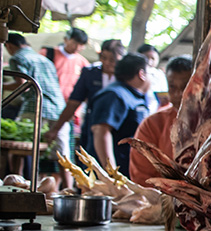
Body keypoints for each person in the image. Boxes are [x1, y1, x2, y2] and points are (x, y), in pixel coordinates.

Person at [43, 38, 126, 158]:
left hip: (120, 128)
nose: (107, 62)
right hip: (92, 125)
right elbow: (73, 103)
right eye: (103, 58)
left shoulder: (127, 76)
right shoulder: (90, 74)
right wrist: (56, 129)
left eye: (112, 60)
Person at [2, 32, 66, 170]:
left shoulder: (17, 58)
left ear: (9, 46)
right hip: (58, 108)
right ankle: (69, 183)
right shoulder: (45, 60)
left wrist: (3, 86)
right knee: (62, 156)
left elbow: (22, 86)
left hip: (35, 106)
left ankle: (16, 178)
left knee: (17, 148)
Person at [128, 56, 193, 186]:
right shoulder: (152, 124)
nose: (179, 94)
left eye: (186, 87)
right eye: (173, 87)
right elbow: (142, 179)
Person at [89, 52, 155, 176]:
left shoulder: (134, 96)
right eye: (150, 74)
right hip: (114, 174)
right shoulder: (114, 95)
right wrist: (111, 173)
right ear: (141, 74)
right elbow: (101, 131)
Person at [42, 27, 89, 107]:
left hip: (70, 107)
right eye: (75, 43)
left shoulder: (83, 63)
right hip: (47, 105)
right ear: (66, 39)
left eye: (81, 45)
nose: (77, 47)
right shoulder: (47, 54)